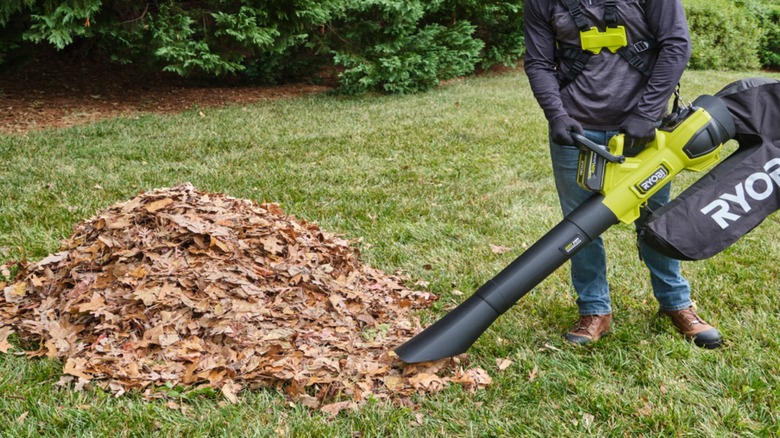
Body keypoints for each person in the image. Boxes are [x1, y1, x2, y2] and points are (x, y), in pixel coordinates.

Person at [523, 0, 722, 348]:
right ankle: (595, 310)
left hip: (645, 133)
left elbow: (676, 45)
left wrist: (646, 114)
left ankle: (676, 302)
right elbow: (539, 61)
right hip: (577, 129)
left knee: (654, 218)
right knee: (579, 226)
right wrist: (556, 114)